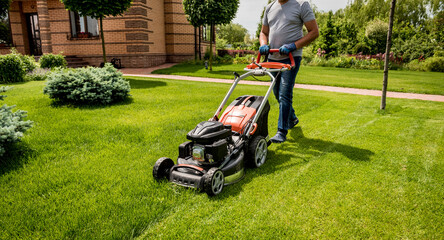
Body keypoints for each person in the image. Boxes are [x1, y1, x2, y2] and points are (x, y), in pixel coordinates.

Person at [259, 0, 319, 143]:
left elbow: (314, 32)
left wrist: (294, 45)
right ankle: (291, 118)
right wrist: (263, 44)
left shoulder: (301, 4)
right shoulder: (270, 7)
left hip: (291, 57)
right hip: (273, 57)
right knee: (277, 93)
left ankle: (281, 131)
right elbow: (263, 32)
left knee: (285, 94)